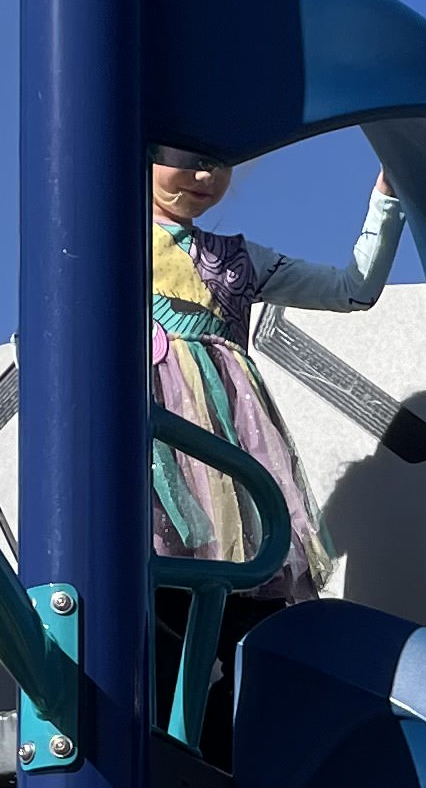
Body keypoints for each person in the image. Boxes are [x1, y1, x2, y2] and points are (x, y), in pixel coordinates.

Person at [147, 145, 408, 611]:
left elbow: (354, 290)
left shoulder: (236, 258)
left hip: (226, 447)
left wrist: (388, 196)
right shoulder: (104, 246)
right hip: (149, 437)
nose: (204, 177)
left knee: (241, 582)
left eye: (218, 162)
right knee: (155, 574)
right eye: (187, 158)